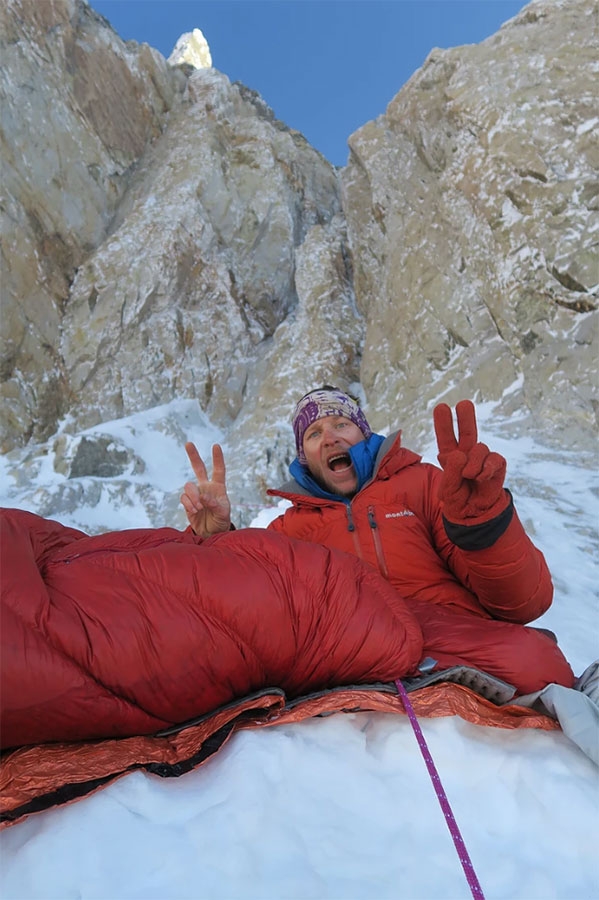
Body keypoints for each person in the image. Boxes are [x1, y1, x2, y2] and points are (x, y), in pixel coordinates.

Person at [181, 387, 552, 625]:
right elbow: (239, 614)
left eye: (341, 424)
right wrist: (214, 541)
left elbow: (521, 605)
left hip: (452, 636)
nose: (329, 438)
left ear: (364, 434)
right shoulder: (288, 532)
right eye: (313, 434)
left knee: (534, 661)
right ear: (304, 459)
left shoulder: (424, 484)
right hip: (352, 654)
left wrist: (482, 525)